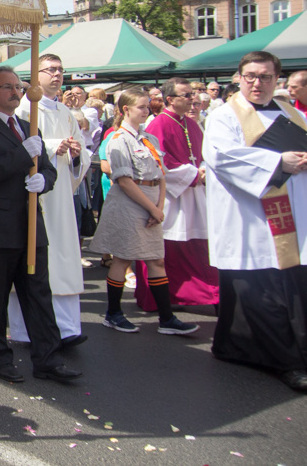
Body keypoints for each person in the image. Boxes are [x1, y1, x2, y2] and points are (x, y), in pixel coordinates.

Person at [0, 66, 80, 383]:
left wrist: (44, 181)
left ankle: (47, 359)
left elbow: (48, 170)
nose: (16, 92)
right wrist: (21, 155)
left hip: (30, 224)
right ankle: (0, 357)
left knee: (39, 294)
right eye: (8, 87)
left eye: (18, 86)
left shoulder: (30, 127)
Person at [204, 51, 307, 392]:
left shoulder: (291, 113)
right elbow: (222, 156)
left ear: (277, 79)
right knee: (263, 294)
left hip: (293, 216)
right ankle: (286, 361)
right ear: (239, 77)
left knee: (289, 288)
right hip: (249, 219)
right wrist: (279, 163)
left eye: (264, 77)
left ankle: (232, 346)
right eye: (250, 76)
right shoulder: (224, 116)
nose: (256, 83)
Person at [90, 88, 199, 336]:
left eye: (147, 106)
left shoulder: (149, 139)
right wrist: (152, 208)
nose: (146, 111)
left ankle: (166, 318)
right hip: (129, 203)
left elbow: (161, 175)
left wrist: (158, 207)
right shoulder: (119, 140)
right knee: (123, 258)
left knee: (156, 259)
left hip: (151, 201)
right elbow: (124, 181)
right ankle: (114, 314)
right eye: (141, 107)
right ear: (125, 109)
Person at [11, 55, 90, 348]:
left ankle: (67, 327)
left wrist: (77, 152)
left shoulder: (66, 112)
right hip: (37, 193)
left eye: (60, 70)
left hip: (62, 197)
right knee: (35, 261)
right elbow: (20, 146)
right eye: (50, 70)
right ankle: (27, 329)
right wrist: (57, 146)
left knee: (64, 259)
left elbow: (83, 150)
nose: (57, 75)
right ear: (37, 74)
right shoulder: (25, 108)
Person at [137, 78, 218, 312]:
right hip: (170, 197)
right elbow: (158, 161)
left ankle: (207, 294)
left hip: (195, 194)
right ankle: (160, 299)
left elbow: (205, 154)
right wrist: (194, 174)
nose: (192, 99)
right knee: (166, 250)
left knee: (198, 247)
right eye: (187, 95)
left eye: (192, 94)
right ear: (170, 99)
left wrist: (204, 169)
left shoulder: (192, 124)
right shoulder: (158, 125)